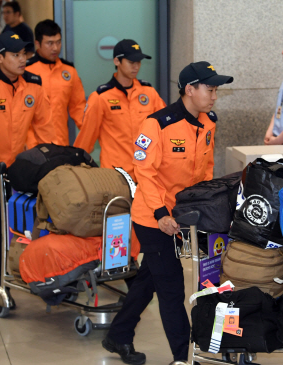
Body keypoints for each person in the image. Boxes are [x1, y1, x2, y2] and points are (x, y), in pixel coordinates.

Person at [102, 61, 233, 365]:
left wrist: (205, 208)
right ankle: (183, 357)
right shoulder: (157, 124)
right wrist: (161, 213)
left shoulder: (208, 122)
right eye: (210, 89)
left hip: (182, 217)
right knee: (171, 288)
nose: (214, 96)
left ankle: (118, 334)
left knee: (150, 279)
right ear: (190, 89)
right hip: (153, 218)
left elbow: (206, 171)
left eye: (215, 90)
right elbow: (144, 173)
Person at [0, 31, 54, 287]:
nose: (22, 59)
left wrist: (48, 160)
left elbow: (44, 126)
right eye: (15, 55)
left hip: (18, 168)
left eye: (24, 53)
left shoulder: (34, 84)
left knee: (24, 223)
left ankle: (24, 268)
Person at [74, 39, 165, 177]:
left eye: (139, 62)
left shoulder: (149, 93)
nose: (136, 67)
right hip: (115, 175)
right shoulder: (101, 97)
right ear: (117, 61)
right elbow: (86, 139)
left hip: (146, 173)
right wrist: (74, 167)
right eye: (131, 62)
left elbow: (165, 129)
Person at [26, 19, 85, 146]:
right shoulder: (26, 71)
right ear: (38, 43)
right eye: (50, 43)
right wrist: (29, 143)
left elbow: (79, 107)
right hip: (33, 145)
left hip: (61, 143)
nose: (55, 48)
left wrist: (90, 132)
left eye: (58, 42)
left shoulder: (69, 71)